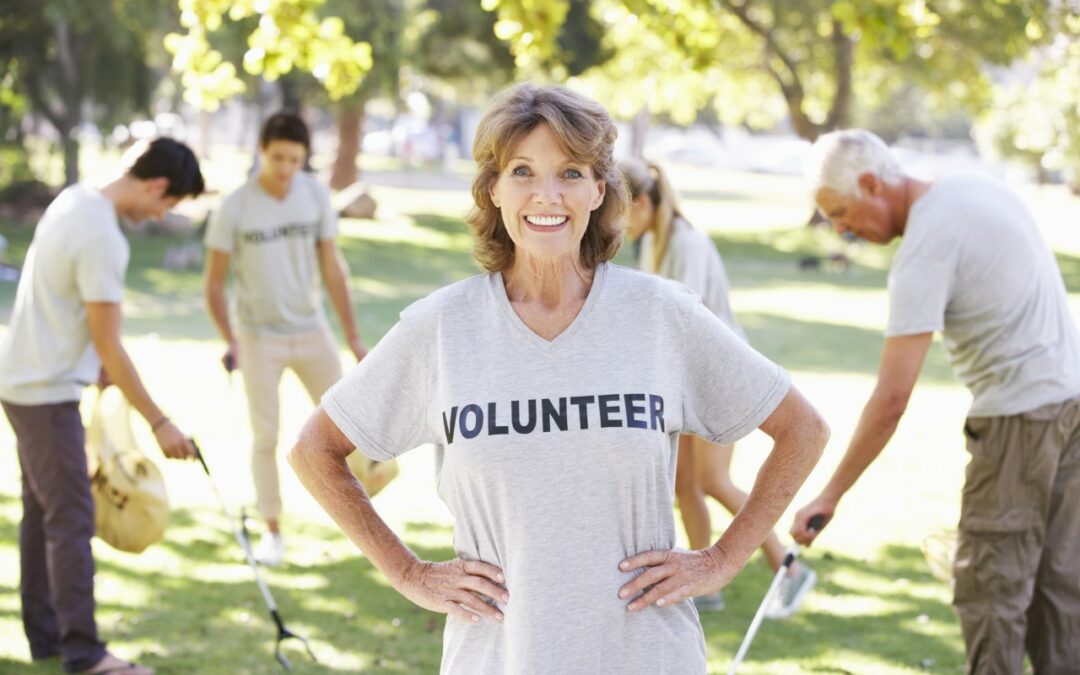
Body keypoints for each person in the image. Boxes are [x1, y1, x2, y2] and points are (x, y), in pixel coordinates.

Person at [288, 83, 829, 674]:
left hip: (646, 657)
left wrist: (722, 560)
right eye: (523, 171)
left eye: (570, 173)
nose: (547, 195)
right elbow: (315, 449)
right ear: (493, 189)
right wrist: (408, 572)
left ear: (600, 189)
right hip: (497, 658)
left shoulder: (659, 314)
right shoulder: (443, 327)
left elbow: (802, 428)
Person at [790, 129, 1080, 674]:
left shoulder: (926, 244)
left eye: (843, 212)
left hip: (1020, 420)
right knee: (1061, 588)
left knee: (991, 589)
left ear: (873, 183)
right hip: (1072, 404)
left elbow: (892, 399)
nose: (842, 229)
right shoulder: (973, 188)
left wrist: (829, 494)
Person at [0, 138, 205, 675]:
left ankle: (45, 639)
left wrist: (95, 362)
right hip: (46, 392)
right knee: (71, 518)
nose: (160, 215)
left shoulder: (74, 200)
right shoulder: (103, 236)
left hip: (24, 381)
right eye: (168, 205)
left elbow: (63, 305)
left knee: (43, 513)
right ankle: (84, 654)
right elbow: (110, 342)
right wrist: (159, 422)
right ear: (157, 186)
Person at [620, 157, 817, 618]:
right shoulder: (653, 243)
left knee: (712, 480)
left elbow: (681, 324)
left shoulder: (685, 243)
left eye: (619, 209)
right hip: (679, 383)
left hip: (714, 381)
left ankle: (788, 568)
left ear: (644, 202)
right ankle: (703, 585)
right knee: (684, 484)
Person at [204, 111, 368, 568]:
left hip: (312, 331)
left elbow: (334, 268)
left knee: (352, 428)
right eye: (277, 158)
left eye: (294, 160)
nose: (284, 169)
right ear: (261, 151)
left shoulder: (315, 197)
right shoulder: (234, 206)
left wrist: (352, 336)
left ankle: (365, 528)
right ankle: (271, 531)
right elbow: (213, 284)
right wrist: (230, 339)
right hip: (258, 338)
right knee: (266, 436)